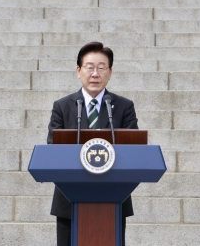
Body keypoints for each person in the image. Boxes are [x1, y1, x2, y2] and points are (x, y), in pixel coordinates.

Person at [47, 41, 139, 246]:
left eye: (101, 67)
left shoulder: (124, 107)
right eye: (89, 67)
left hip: (113, 197)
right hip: (69, 200)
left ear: (110, 72)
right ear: (78, 71)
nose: (95, 73)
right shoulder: (62, 107)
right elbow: (53, 147)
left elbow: (133, 149)